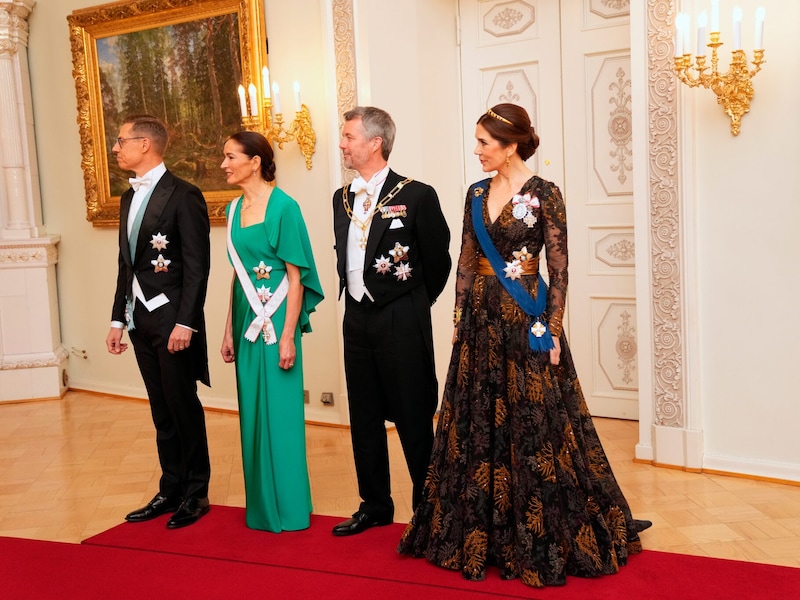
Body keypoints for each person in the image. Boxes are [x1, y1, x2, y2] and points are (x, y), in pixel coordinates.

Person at [397, 103, 650, 587]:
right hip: (479, 325)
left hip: (526, 319)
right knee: (475, 420)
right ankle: (480, 532)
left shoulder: (545, 194)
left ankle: (537, 531)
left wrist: (552, 327)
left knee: (535, 423)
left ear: (510, 145)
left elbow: (560, 267)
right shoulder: (474, 192)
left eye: (484, 143)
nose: (477, 151)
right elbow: (466, 259)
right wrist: (458, 316)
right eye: (476, 142)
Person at [331, 106, 451, 536]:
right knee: (363, 415)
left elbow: (438, 260)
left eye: (348, 136)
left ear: (375, 142)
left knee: (412, 414)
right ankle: (375, 504)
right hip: (356, 318)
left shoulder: (418, 194)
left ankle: (430, 507)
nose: (342, 144)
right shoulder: (340, 198)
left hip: (401, 316)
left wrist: (415, 303)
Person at [105, 114, 212, 529]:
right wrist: (117, 319)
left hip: (172, 321)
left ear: (145, 144)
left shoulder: (184, 195)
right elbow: (125, 265)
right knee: (160, 409)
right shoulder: (128, 198)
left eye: (121, 140)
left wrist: (186, 323)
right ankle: (169, 488)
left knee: (182, 404)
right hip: (138, 320)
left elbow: (196, 267)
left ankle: (195, 493)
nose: (116, 147)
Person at [219, 131, 324, 532]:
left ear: (255, 161)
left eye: (231, 157)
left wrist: (287, 335)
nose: (224, 164)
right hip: (247, 321)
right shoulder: (232, 210)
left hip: (278, 318)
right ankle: (261, 507)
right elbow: (237, 274)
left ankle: (291, 508)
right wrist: (228, 329)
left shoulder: (284, 207)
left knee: (280, 413)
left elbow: (296, 277)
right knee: (251, 412)